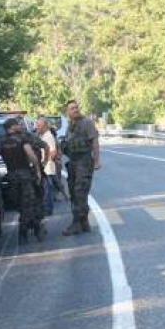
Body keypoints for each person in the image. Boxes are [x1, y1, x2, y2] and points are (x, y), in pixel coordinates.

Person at [0, 117, 43, 242]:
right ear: (12, 127)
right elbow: (31, 156)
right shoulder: (22, 139)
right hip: (24, 175)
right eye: (17, 124)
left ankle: (31, 228)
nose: (20, 126)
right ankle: (26, 231)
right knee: (29, 203)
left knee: (19, 203)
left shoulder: (2, 141)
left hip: (11, 176)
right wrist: (37, 169)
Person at [61, 100, 100, 236]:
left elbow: (94, 141)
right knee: (73, 192)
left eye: (76, 107)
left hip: (84, 162)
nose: (75, 110)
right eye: (72, 108)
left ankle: (77, 223)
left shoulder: (86, 122)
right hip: (73, 162)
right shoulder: (70, 125)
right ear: (68, 112)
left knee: (80, 192)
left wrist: (96, 160)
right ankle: (84, 223)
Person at [36, 116, 58, 216]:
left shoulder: (48, 136)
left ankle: (48, 211)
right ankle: (47, 210)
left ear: (44, 126)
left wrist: (44, 163)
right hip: (45, 169)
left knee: (47, 191)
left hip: (47, 169)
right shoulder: (43, 136)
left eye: (39, 126)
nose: (37, 127)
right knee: (45, 191)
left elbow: (53, 152)